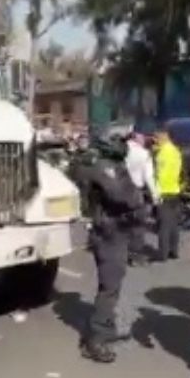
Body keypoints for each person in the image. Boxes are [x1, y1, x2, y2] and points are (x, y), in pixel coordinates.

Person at [77, 134, 146, 364]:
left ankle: (104, 328)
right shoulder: (105, 168)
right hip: (109, 232)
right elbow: (123, 196)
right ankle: (96, 339)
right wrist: (137, 197)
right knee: (110, 285)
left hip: (114, 230)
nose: (124, 147)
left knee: (113, 283)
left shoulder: (110, 166)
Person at [124, 130, 158, 266]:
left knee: (121, 225)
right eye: (143, 136)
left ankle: (120, 253)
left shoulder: (120, 151)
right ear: (137, 137)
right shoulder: (143, 154)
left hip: (118, 190)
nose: (145, 139)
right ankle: (135, 256)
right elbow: (148, 177)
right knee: (137, 225)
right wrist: (155, 195)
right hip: (135, 192)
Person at [153, 126, 184, 261]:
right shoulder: (176, 151)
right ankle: (174, 251)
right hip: (175, 191)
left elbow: (159, 174)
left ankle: (163, 254)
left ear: (164, 136)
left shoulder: (162, 154)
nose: (155, 140)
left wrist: (155, 191)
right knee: (174, 224)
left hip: (163, 192)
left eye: (156, 137)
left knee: (164, 225)